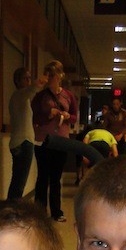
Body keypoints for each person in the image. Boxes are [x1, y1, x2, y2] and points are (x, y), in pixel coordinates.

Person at [31, 61, 77, 222]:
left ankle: (56, 211)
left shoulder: (68, 95)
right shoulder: (40, 97)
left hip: (61, 141)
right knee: (42, 176)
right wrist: (49, 115)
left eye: (52, 74)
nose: (49, 78)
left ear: (59, 76)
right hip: (43, 140)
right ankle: (40, 212)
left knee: (56, 177)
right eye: (47, 74)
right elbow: (35, 117)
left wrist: (65, 116)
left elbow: (74, 117)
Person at [6, 66, 46, 200]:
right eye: (25, 78)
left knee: (17, 181)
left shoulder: (22, 98)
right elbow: (30, 90)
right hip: (23, 143)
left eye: (30, 78)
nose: (28, 81)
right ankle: (11, 212)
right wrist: (37, 84)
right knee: (19, 183)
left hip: (22, 142)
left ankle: (11, 210)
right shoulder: (19, 95)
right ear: (17, 81)